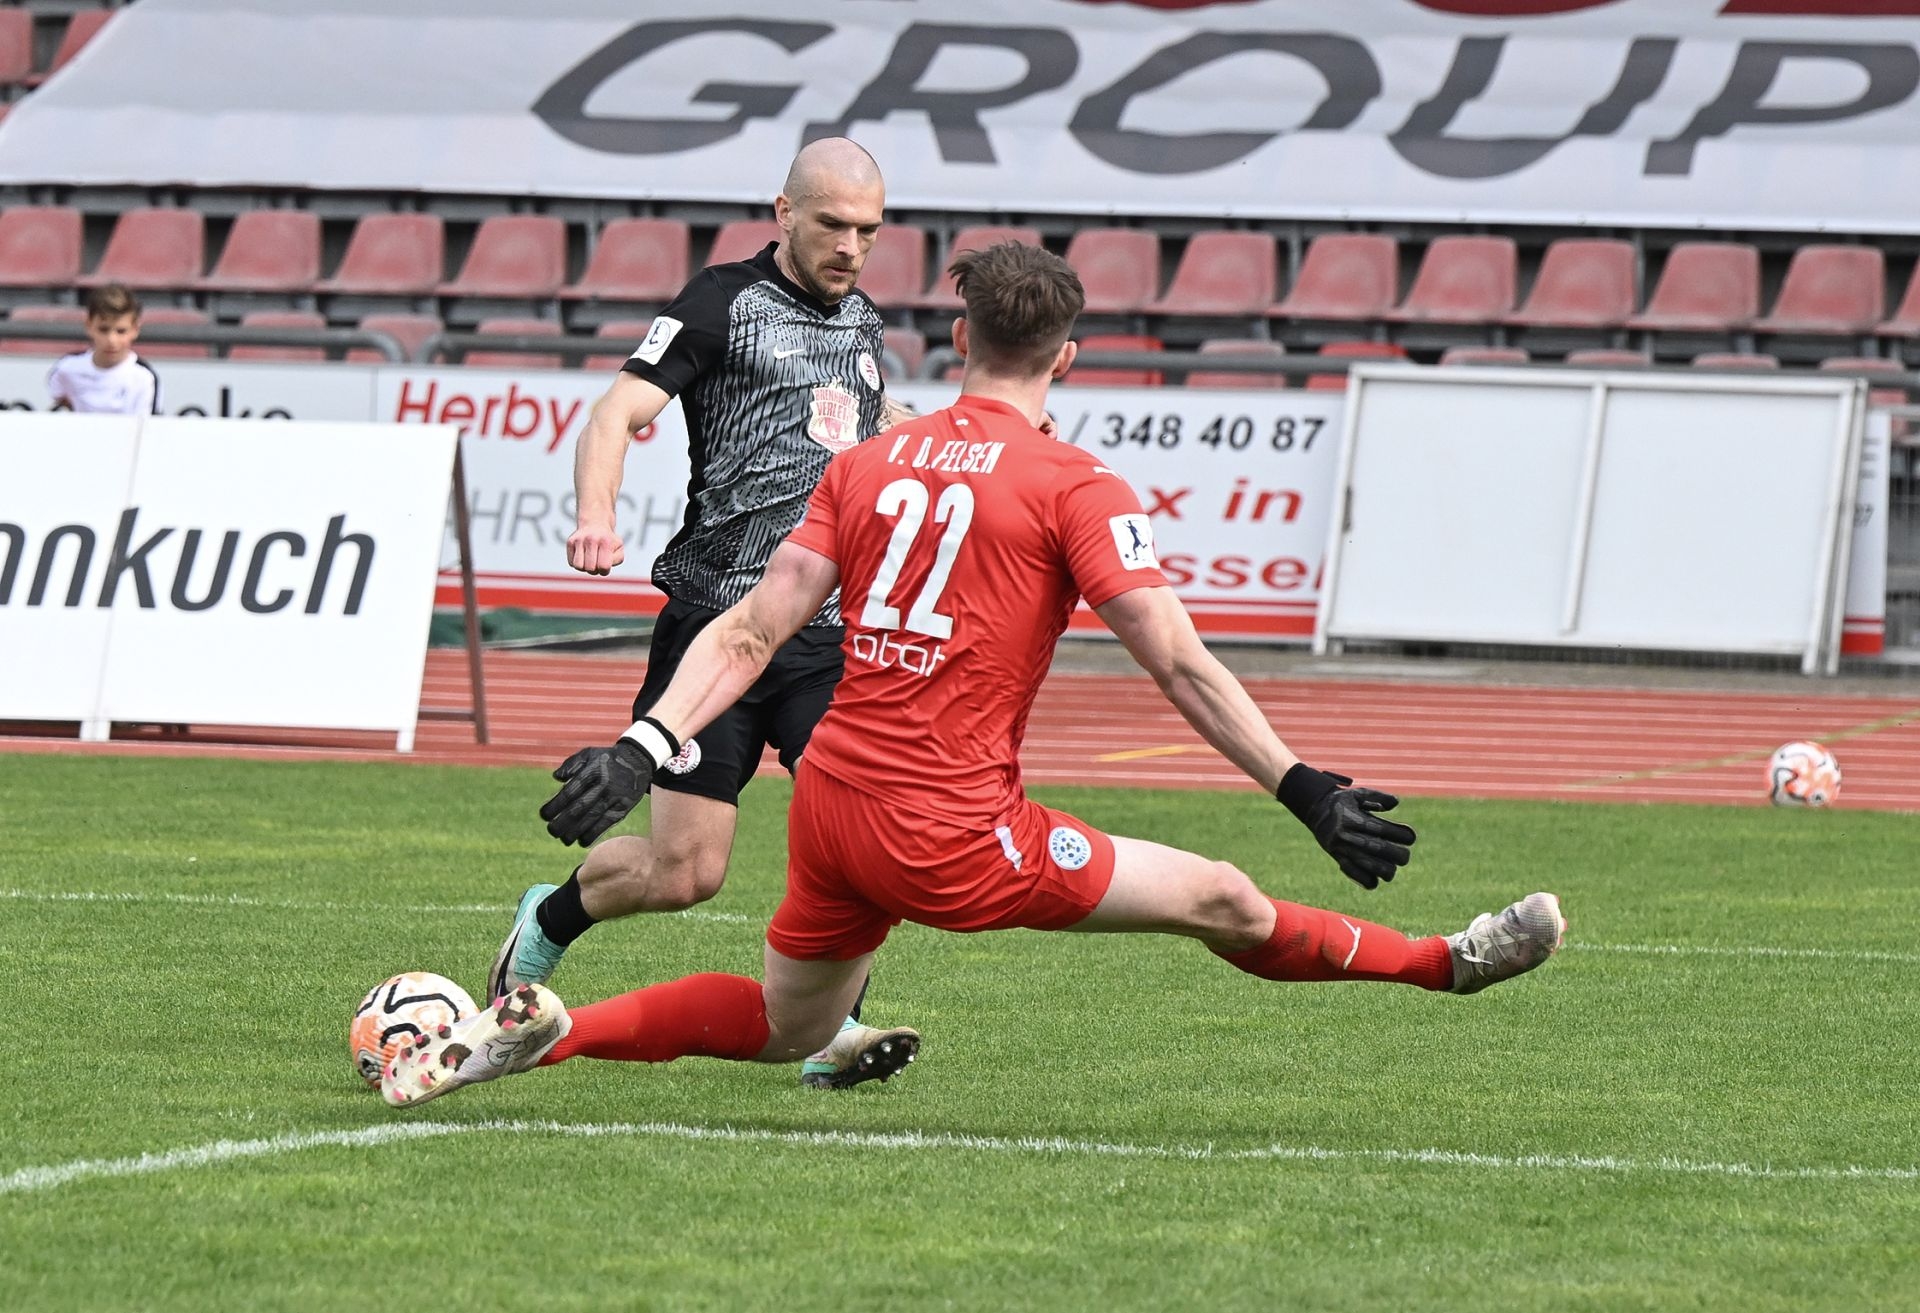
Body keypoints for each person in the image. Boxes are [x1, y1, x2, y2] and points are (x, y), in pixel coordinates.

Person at [384, 244, 1563, 1108]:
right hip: (950, 829)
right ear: (1067, 356)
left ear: (960, 342)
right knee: (1225, 898)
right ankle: (1449, 964)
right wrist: (1302, 785)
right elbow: (1178, 660)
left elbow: (750, 629)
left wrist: (642, 745)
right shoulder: (1077, 485)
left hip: (835, 804)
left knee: (785, 1023)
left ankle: (551, 1030)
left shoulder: (868, 461)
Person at [487, 136, 920, 1088]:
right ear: (784, 213)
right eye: (833, 225)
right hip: (717, 626)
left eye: (868, 231)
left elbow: (868, 425)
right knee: (686, 872)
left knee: (864, 825)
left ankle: (834, 1029)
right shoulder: (720, 303)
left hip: (826, 633)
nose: (851, 247)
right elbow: (615, 412)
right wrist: (596, 517)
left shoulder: (865, 321)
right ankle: (546, 920)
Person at [47, 284, 160, 415]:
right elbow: (59, 403)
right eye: (103, 330)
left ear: (135, 330)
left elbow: (148, 424)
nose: (112, 340)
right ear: (89, 325)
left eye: (121, 331)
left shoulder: (144, 378)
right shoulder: (66, 368)